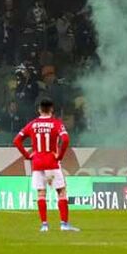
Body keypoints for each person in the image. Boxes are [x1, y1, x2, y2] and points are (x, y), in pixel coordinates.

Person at [13, 98, 78, 232]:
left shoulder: (32, 124)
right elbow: (65, 139)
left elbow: (17, 140)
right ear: (51, 109)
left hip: (37, 162)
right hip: (52, 162)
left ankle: (44, 225)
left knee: (41, 194)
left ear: (39, 110)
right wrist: (60, 155)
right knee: (61, 192)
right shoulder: (56, 123)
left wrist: (27, 156)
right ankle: (64, 224)